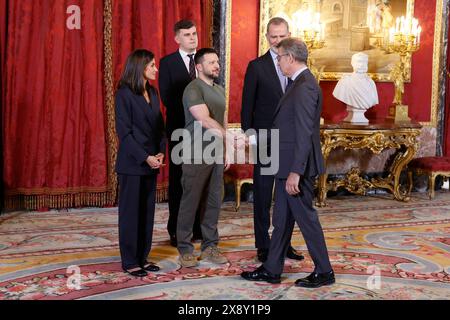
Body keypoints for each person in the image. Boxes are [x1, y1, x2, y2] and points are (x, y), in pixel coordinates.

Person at [241, 38, 335, 288]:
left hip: (296, 167)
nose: (278, 61)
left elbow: (304, 133)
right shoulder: (298, 83)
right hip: (287, 165)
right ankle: (272, 269)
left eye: (280, 57)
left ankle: (324, 271)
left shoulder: (304, 86)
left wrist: (295, 172)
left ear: (291, 58)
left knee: (306, 218)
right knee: (281, 219)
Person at [241, 17, 304, 263]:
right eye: (273, 37)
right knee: (264, 195)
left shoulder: (297, 68)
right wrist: (250, 137)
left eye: (281, 36)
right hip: (265, 141)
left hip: (288, 143)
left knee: (287, 197)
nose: (278, 41)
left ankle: (284, 243)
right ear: (266, 37)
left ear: (289, 34)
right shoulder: (256, 66)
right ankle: (263, 245)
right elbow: (247, 108)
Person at [176, 48, 229, 268]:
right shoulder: (193, 88)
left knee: (214, 201)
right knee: (191, 201)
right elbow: (204, 120)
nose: (216, 65)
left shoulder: (219, 89)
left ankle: (210, 247)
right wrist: (232, 138)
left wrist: (226, 149)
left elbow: (222, 120)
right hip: (196, 151)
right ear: (199, 66)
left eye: (217, 62)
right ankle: (185, 249)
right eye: (211, 62)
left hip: (216, 152)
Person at [115, 49, 166, 277]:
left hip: (152, 161)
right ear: (140, 67)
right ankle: (129, 260)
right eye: (152, 65)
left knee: (147, 213)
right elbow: (124, 134)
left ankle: (142, 257)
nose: (156, 69)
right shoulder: (124, 94)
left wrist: (161, 152)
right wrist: (146, 157)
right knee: (130, 213)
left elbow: (160, 128)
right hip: (133, 163)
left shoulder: (153, 92)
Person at [159, 20, 203, 247]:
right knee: (179, 180)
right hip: (179, 130)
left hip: (204, 132)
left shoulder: (205, 60)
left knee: (199, 179)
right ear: (177, 38)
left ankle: (197, 226)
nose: (192, 38)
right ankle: (176, 229)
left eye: (194, 33)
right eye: (187, 35)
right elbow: (167, 98)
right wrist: (194, 112)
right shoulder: (167, 63)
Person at [333, 52, 379, 123]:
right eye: (358, 62)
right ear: (352, 63)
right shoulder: (344, 82)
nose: (361, 65)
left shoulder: (371, 83)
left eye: (364, 62)